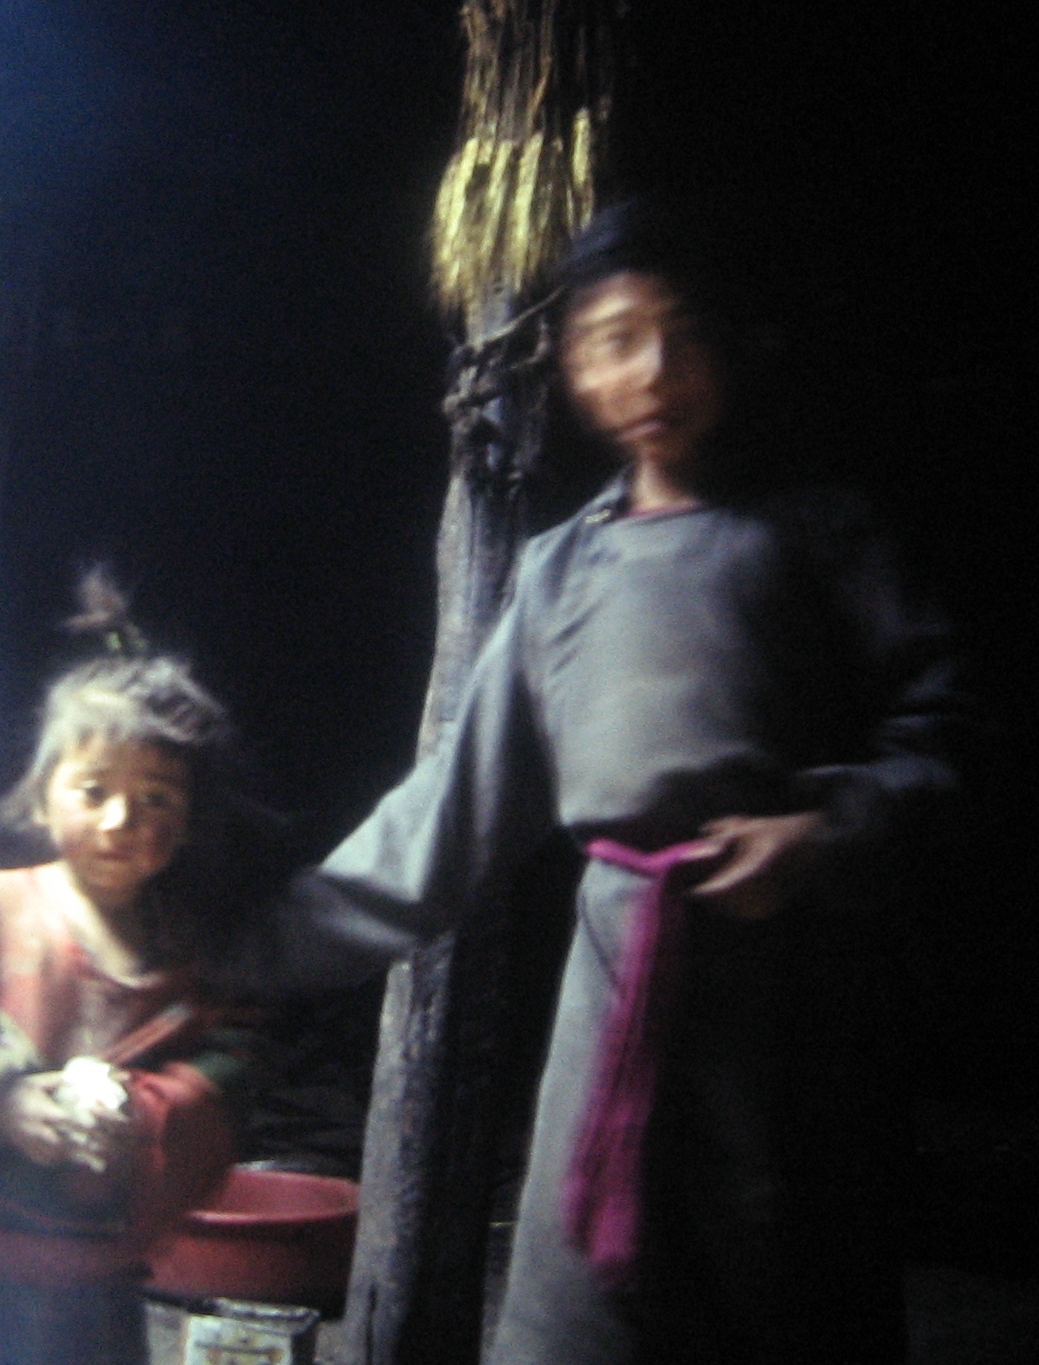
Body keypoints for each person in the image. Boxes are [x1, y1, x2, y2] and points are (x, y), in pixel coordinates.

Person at [254, 200, 972, 1364]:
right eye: (614, 340)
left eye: (680, 335)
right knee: (580, 1324)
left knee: (787, 1300)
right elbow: (442, 823)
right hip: (613, 1011)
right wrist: (239, 944)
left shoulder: (816, 538)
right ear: (572, 367)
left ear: (727, 347)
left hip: (789, 1024)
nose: (652, 372)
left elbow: (948, 742)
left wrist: (823, 832)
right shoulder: (560, 573)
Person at [0, 573, 264, 1365]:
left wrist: (143, 1115)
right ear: (42, 797)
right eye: (93, 789)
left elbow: (228, 1065)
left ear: (187, 817)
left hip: (88, 1275)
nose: (121, 819)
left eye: (156, 798)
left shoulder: (183, 948)